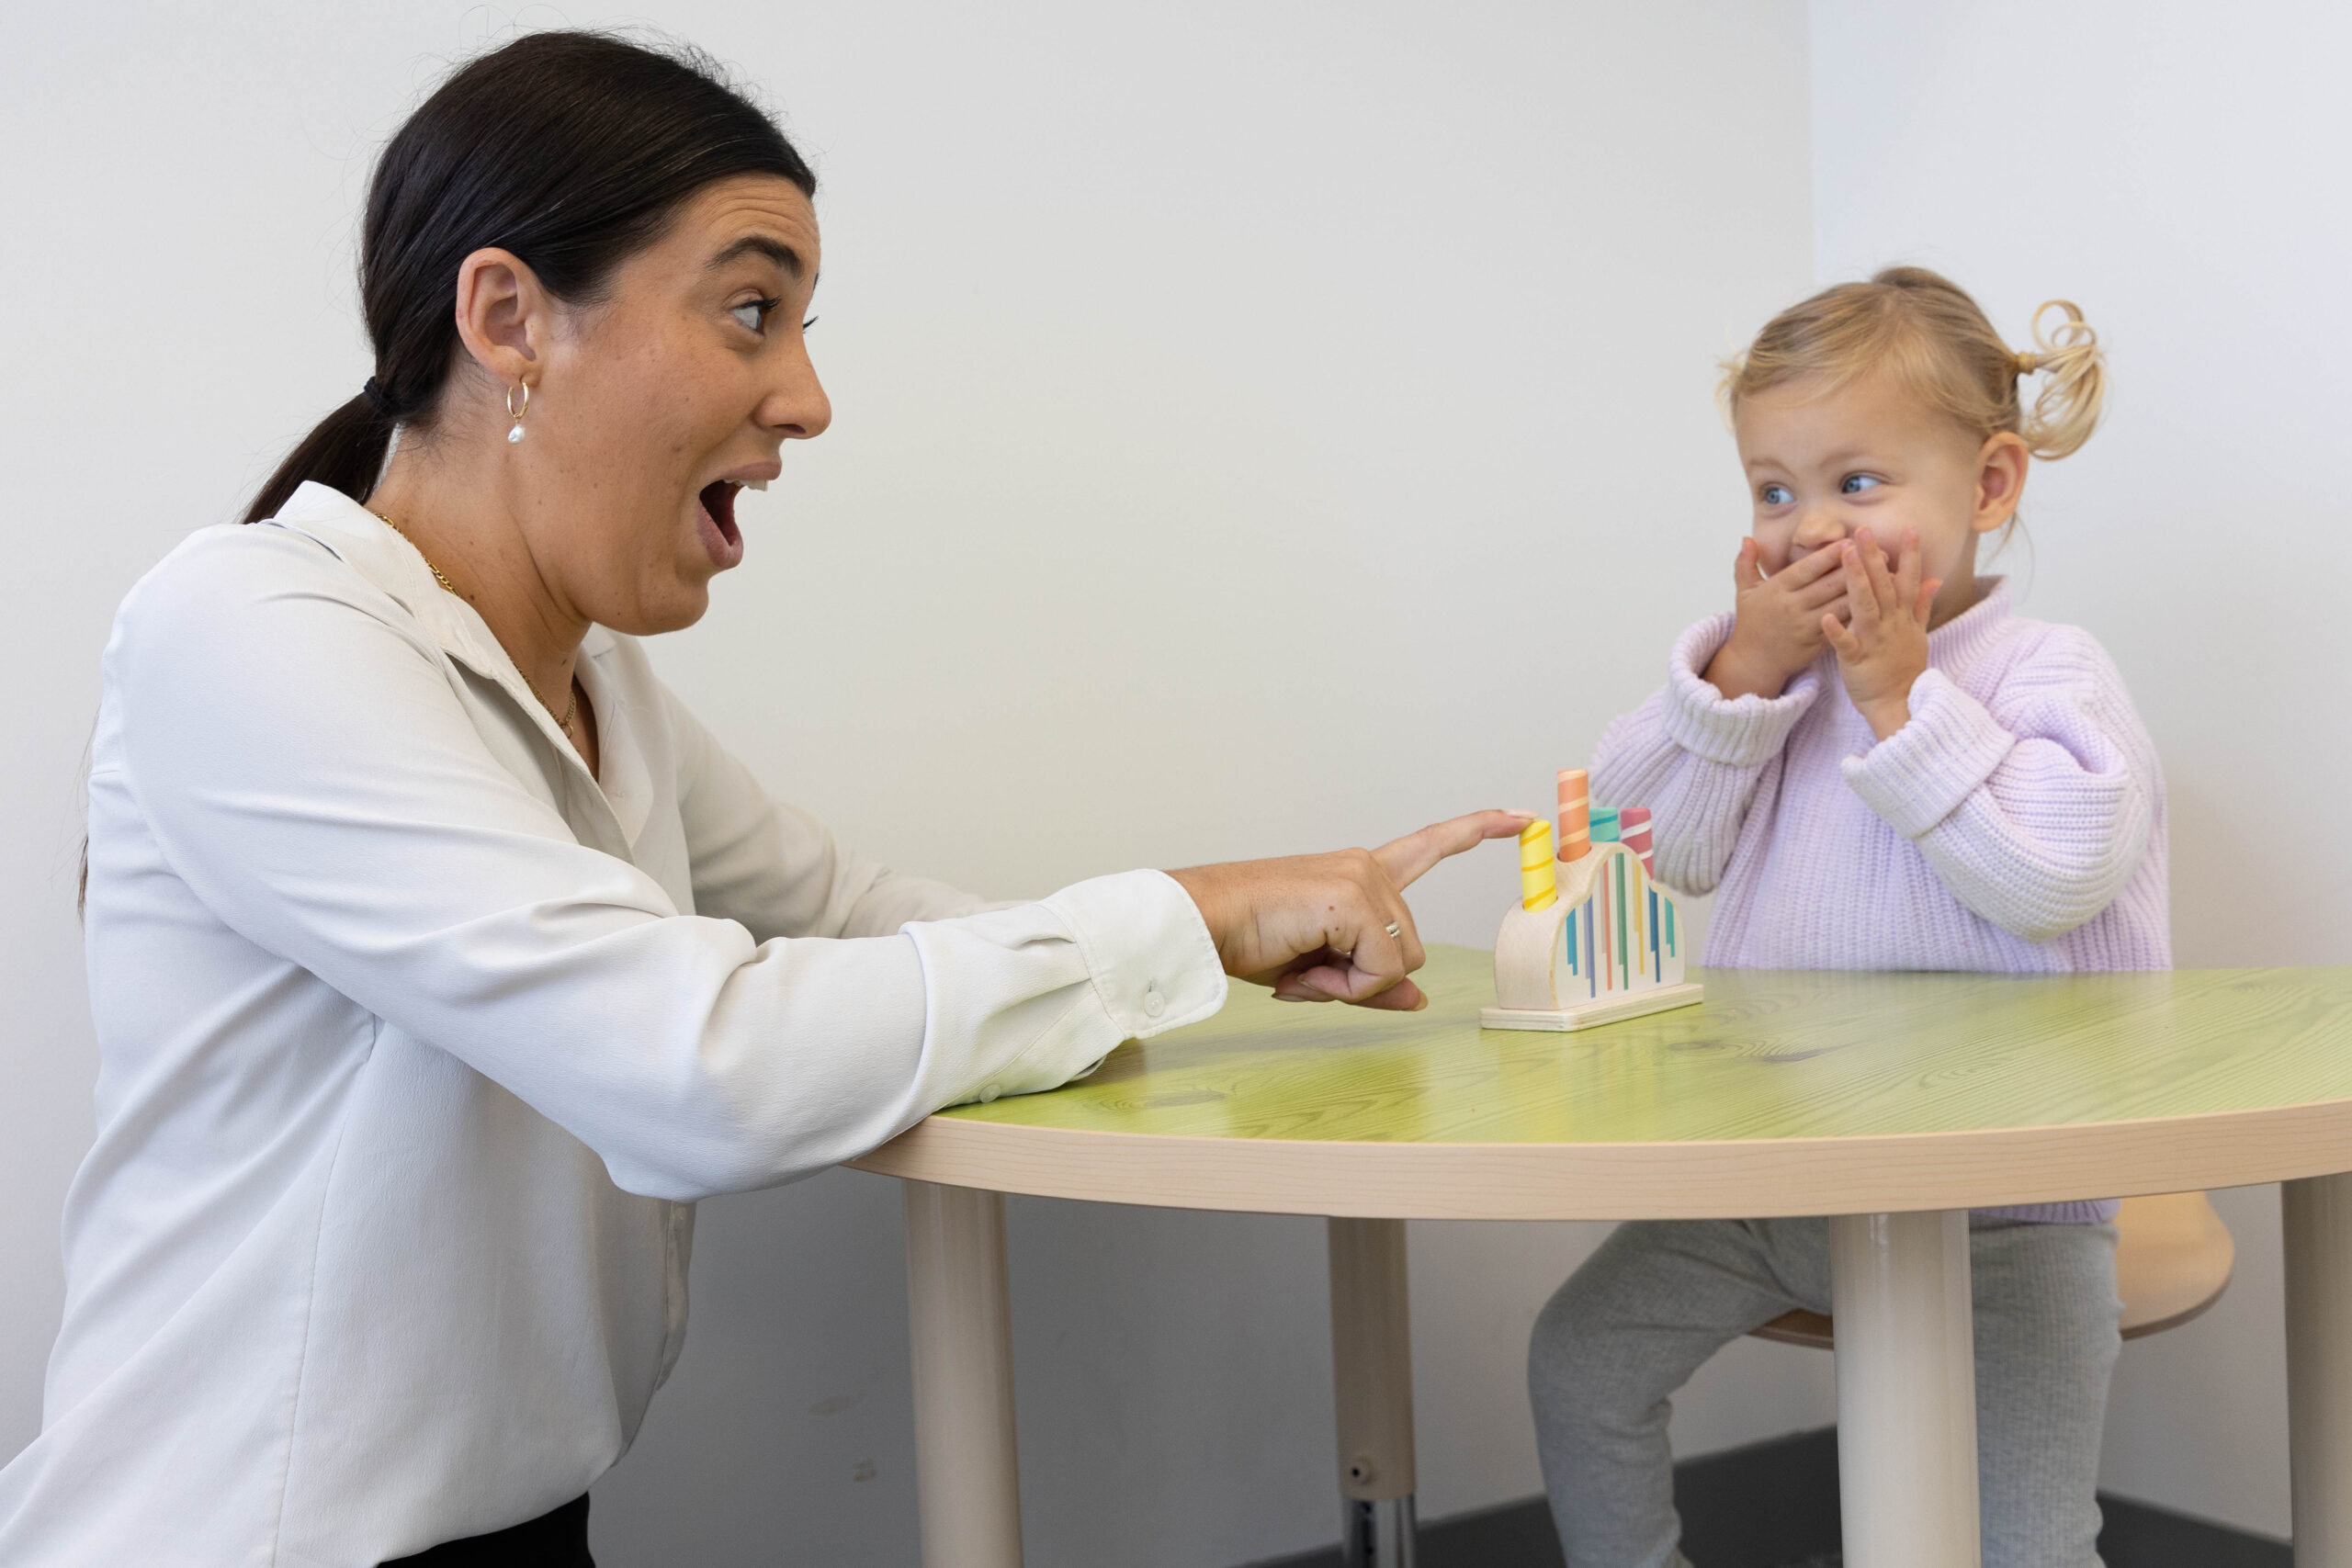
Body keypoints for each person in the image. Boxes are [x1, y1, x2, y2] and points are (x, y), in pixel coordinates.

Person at [0, 31, 1526, 1566]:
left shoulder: (607, 696)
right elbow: (695, 1062)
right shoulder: (254, 632)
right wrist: (1176, 914)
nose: (806, 398)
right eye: (749, 311)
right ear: (508, 316)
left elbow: (852, 923)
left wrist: (1226, 933)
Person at [1525, 267, 2166, 1566]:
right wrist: (1744, 673)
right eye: (1774, 491)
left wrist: (1898, 700)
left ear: (1988, 488)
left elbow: (2053, 874)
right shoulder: (1779, 682)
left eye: (1855, 484)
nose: (1806, 530)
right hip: (1779, 1187)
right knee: (1579, 1363)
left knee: (2028, 1543)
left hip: (2010, 1211)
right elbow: (1650, 849)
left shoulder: (2052, 674)